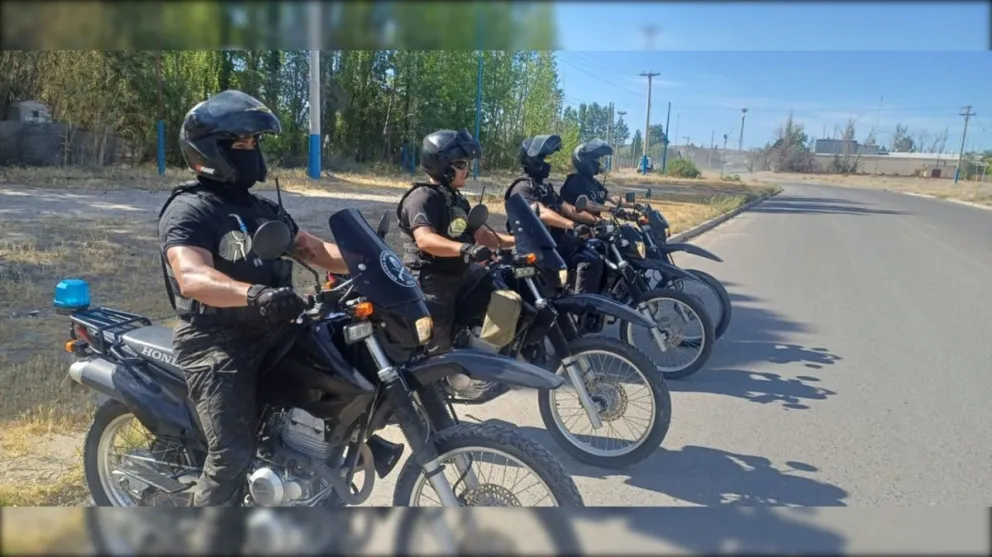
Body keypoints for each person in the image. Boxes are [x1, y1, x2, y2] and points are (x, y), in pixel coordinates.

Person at [158, 89, 351, 507]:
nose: (252, 151)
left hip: (274, 329)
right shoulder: (189, 209)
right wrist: (255, 293)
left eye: (255, 143)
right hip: (215, 341)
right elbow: (191, 275)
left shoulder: (262, 209)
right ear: (210, 150)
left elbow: (315, 252)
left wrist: (374, 263)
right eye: (241, 143)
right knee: (231, 455)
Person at [396, 128, 516, 362]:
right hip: (431, 279)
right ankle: (437, 383)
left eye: (467, 164)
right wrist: (465, 249)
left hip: (461, 273)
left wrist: (519, 241)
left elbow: (482, 234)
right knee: (437, 351)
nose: (466, 170)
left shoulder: (456, 199)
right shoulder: (423, 197)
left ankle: (484, 353)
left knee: (504, 288)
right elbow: (425, 239)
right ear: (440, 164)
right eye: (461, 164)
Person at [504, 134, 605, 296]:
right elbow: (541, 212)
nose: (547, 164)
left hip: (553, 245)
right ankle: (579, 306)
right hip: (534, 249)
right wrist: (572, 225)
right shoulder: (522, 188)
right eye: (544, 159)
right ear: (532, 160)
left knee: (593, 252)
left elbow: (566, 208)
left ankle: (587, 305)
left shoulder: (543, 187)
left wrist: (597, 221)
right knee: (586, 261)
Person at [560, 138, 646, 216]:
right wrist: (611, 209)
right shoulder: (574, 181)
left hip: (594, 225)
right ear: (584, 159)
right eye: (595, 159)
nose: (598, 162)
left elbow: (613, 198)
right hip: (576, 228)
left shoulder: (593, 182)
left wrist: (637, 206)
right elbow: (589, 204)